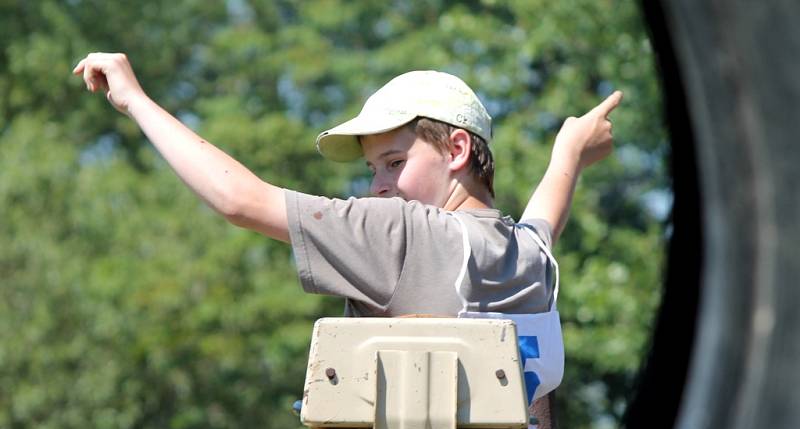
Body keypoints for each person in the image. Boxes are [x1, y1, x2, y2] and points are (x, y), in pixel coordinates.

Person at [72, 52, 621, 406]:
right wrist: (568, 152)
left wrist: (136, 101)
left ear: (457, 149)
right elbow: (546, 216)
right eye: (372, 169)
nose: (379, 186)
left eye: (394, 161)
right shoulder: (528, 258)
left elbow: (238, 199)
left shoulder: (402, 233)